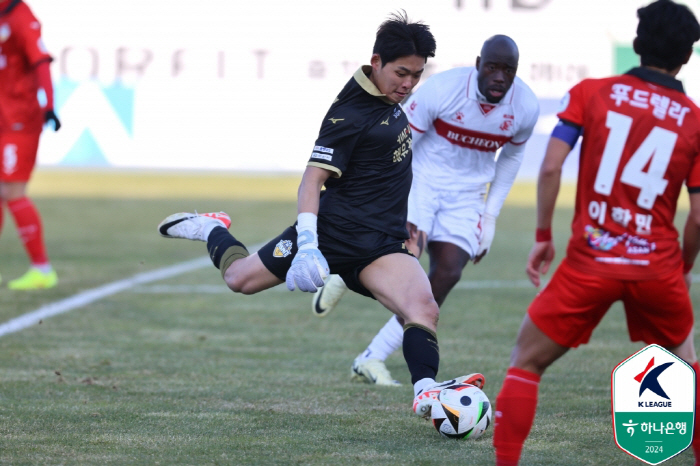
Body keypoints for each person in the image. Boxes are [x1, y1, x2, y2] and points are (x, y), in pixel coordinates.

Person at [157, 12, 484, 418]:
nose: (408, 84)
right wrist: (309, 245)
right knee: (238, 280)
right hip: (332, 233)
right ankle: (211, 228)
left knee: (424, 307)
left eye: (416, 75)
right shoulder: (347, 116)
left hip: (380, 245)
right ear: (376, 62)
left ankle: (427, 394)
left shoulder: (392, 95)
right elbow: (311, 183)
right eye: (402, 73)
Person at [491, 1, 700, 464]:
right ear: (687, 57)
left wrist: (544, 234)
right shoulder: (694, 119)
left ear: (638, 44)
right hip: (657, 267)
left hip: (590, 261)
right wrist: (681, 269)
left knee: (526, 362)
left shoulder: (591, 92)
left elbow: (550, 167)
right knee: (685, 364)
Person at [311, 35, 539, 386]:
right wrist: (390, 194)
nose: (499, 77)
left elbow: (512, 158)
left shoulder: (524, 106)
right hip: (421, 182)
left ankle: (371, 357)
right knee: (405, 264)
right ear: (479, 64)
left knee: (446, 275)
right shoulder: (443, 89)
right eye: (492, 67)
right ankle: (346, 269)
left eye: (508, 70)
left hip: (467, 196)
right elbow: (401, 142)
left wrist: (490, 216)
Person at [0, 0, 61, 290]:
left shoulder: (19, 15)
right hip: (2, 120)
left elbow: (40, 60)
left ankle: (42, 269)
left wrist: (48, 104)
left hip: (19, 121)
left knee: (11, 190)